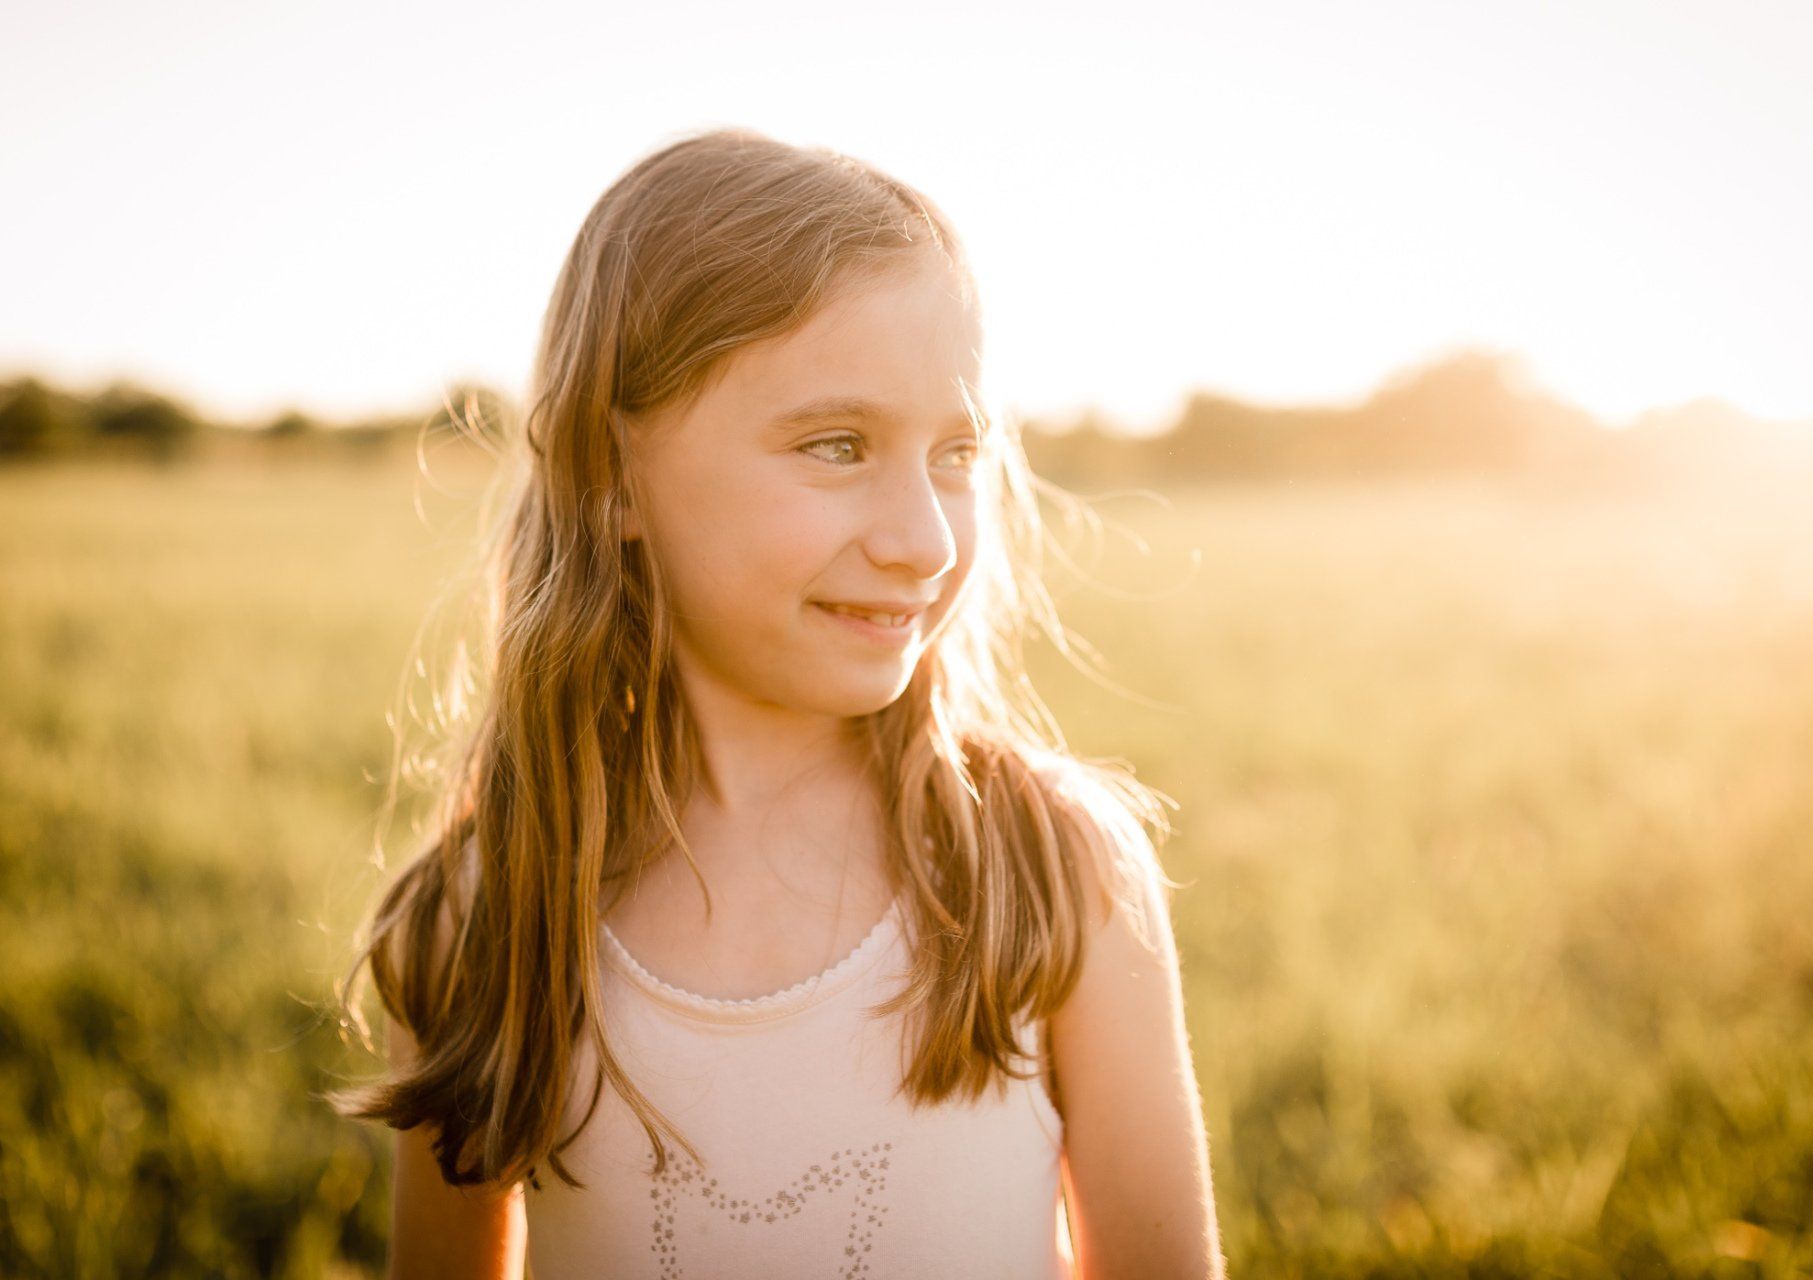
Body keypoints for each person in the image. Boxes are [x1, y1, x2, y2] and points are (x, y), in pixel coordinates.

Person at [326, 125, 1224, 1279]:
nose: (924, 538)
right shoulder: (485, 918)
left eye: (957, 451)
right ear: (612, 478)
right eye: (838, 445)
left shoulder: (1052, 871)